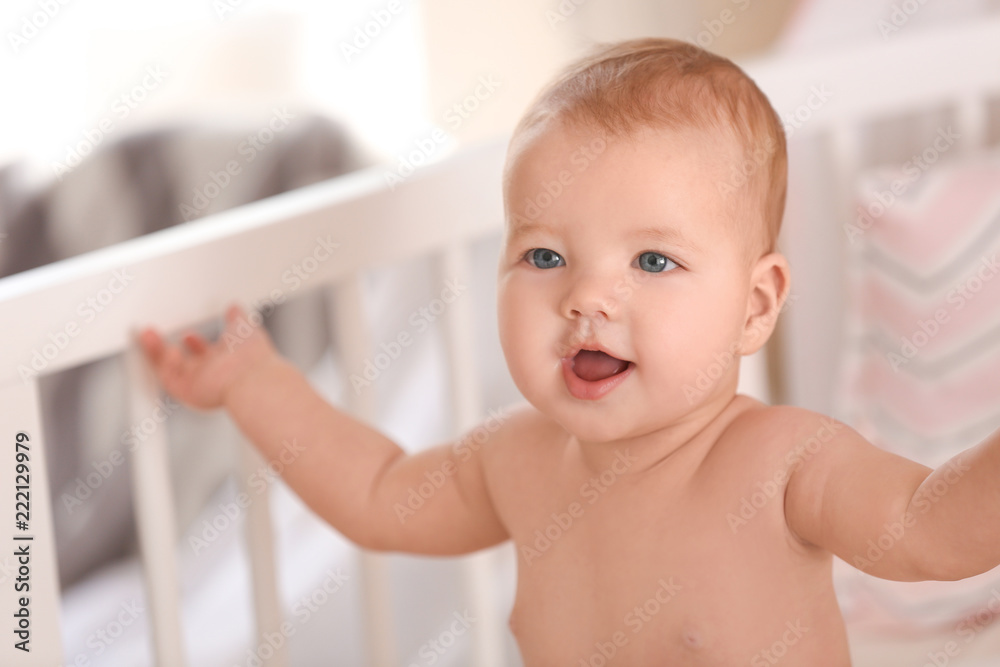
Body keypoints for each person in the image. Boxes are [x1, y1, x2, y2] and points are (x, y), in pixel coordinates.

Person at [138, 38, 999, 665]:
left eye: (653, 261)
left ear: (755, 304)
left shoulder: (781, 461)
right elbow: (378, 495)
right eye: (545, 256)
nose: (587, 296)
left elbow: (929, 529)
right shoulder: (516, 458)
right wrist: (254, 381)